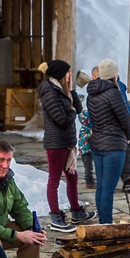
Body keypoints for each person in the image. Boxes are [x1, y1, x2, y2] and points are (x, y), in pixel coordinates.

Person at [37, 59, 93, 231]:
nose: (71, 74)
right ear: (61, 75)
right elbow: (62, 119)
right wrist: (71, 112)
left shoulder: (62, 91)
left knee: (72, 178)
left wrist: (72, 91)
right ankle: (56, 217)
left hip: (67, 142)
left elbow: (78, 109)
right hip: (56, 143)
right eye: (68, 72)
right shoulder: (49, 92)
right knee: (54, 180)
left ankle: (76, 212)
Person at [86, 59, 130, 224]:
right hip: (114, 144)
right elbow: (126, 119)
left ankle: (103, 221)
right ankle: (106, 222)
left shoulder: (92, 93)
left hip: (98, 143)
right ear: (114, 75)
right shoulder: (114, 93)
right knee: (108, 188)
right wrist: (128, 136)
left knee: (101, 186)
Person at [77, 68, 96, 190]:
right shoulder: (88, 128)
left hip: (86, 149)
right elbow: (87, 138)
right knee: (89, 166)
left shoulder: (84, 128)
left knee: (88, 166)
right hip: (88, 148)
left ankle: (90, 180)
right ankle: (89, 181)